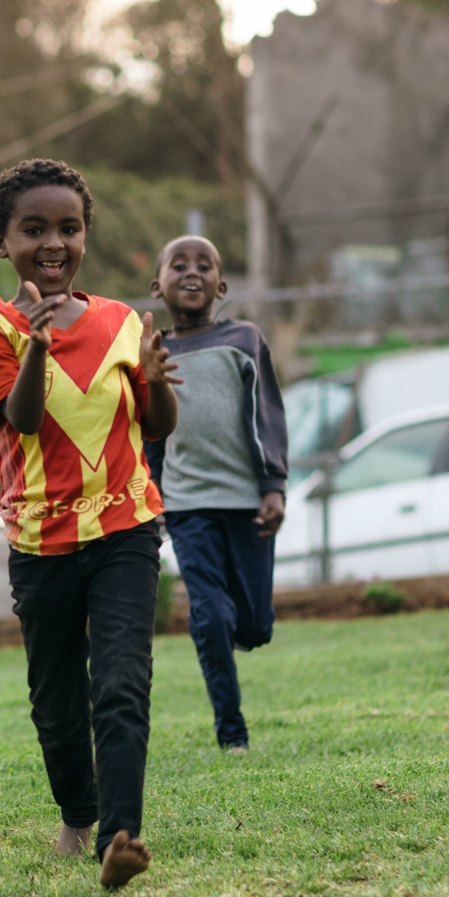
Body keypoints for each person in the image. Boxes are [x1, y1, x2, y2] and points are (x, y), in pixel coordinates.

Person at [0, 158, 179, 891]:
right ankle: (77, 814)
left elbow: (155, 425)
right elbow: (17, 419)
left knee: (121, 681)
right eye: (34, 229)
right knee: (56, 703)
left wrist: (154, 377)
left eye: (69, 228)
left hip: (126, 528)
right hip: (39, 541)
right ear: (2, 241)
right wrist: (38, 347)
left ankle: (120, 836)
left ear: (85, 236)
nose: (54, 243)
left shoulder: (123, 320)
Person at [145, 235, 288, 756]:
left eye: (204, 265)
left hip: (248, 500)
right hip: (188, 506)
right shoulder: (154, 351)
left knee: (254, 625)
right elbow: (152, 430)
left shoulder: (244, 339)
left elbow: (267, 413)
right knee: (210, 616)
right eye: (178, 264)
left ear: (221, 286)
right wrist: (154, 495)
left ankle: (230, 630)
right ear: (156, 284)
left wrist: (273, 485)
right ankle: (233, 734)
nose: (192, 272)